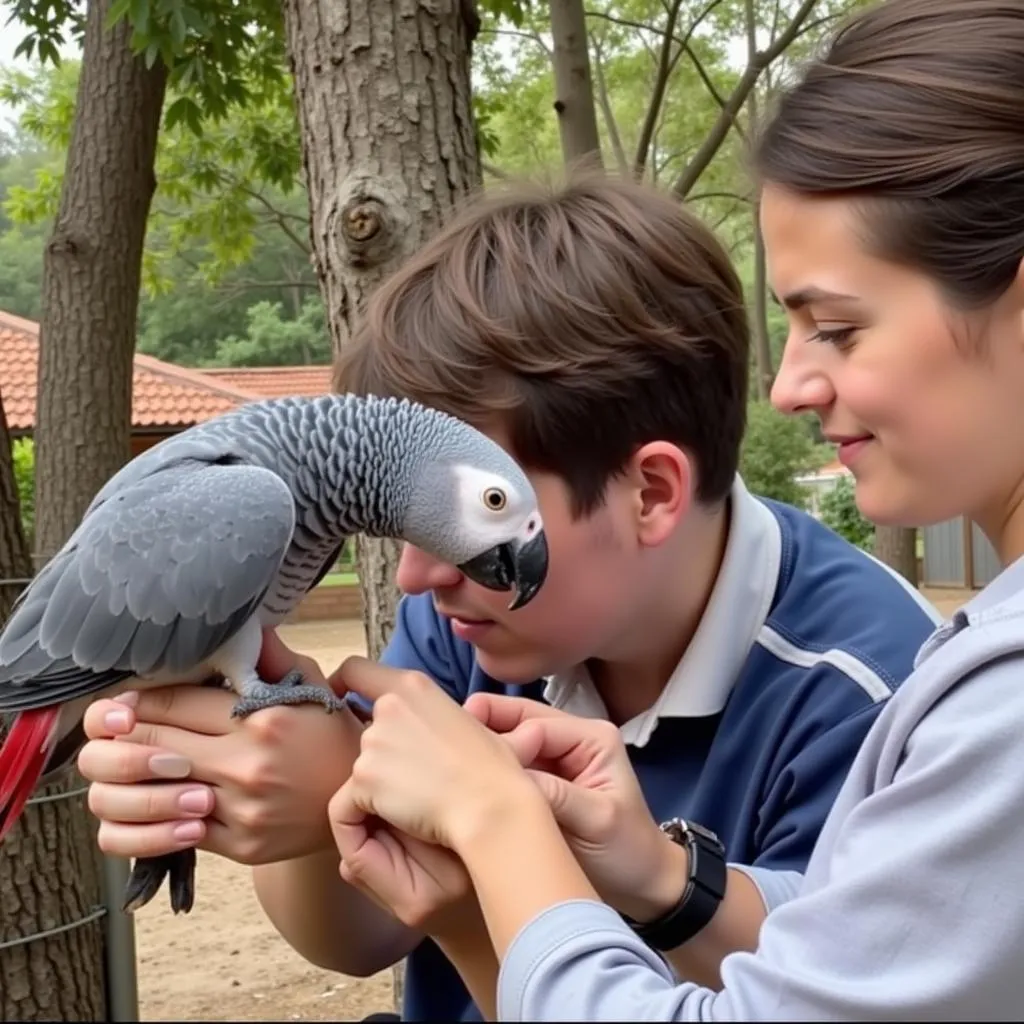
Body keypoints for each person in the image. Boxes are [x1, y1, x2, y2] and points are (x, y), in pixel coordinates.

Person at [75, 173, 940, 1021]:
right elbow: (355, 940)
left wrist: (455, 862)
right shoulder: (463, 623)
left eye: (473, 511)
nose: (415, 577)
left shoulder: (876, 701)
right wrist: (316, 807)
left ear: (649, 493)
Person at [313, 0, 1024, 1019]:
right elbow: (866, 933)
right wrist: (656, 875)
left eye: (837, 328)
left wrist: (495, 819)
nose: (790, 387)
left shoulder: (970, 693)